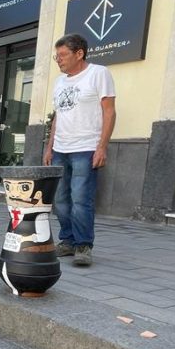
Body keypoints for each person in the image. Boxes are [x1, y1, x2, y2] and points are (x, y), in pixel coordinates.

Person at [43, 33, 117, 267]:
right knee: (61, 199)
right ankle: (68, 240)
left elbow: (109, 112)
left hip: (85, 147)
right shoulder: (60, 82)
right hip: (60, 148)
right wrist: (49, 146)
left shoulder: (98, 73)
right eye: (57, 56)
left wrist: (102, 146)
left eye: (63, 55)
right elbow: (58, 116)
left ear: (79, 53)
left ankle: (83, 245)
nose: (59, 60)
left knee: (80, 198)